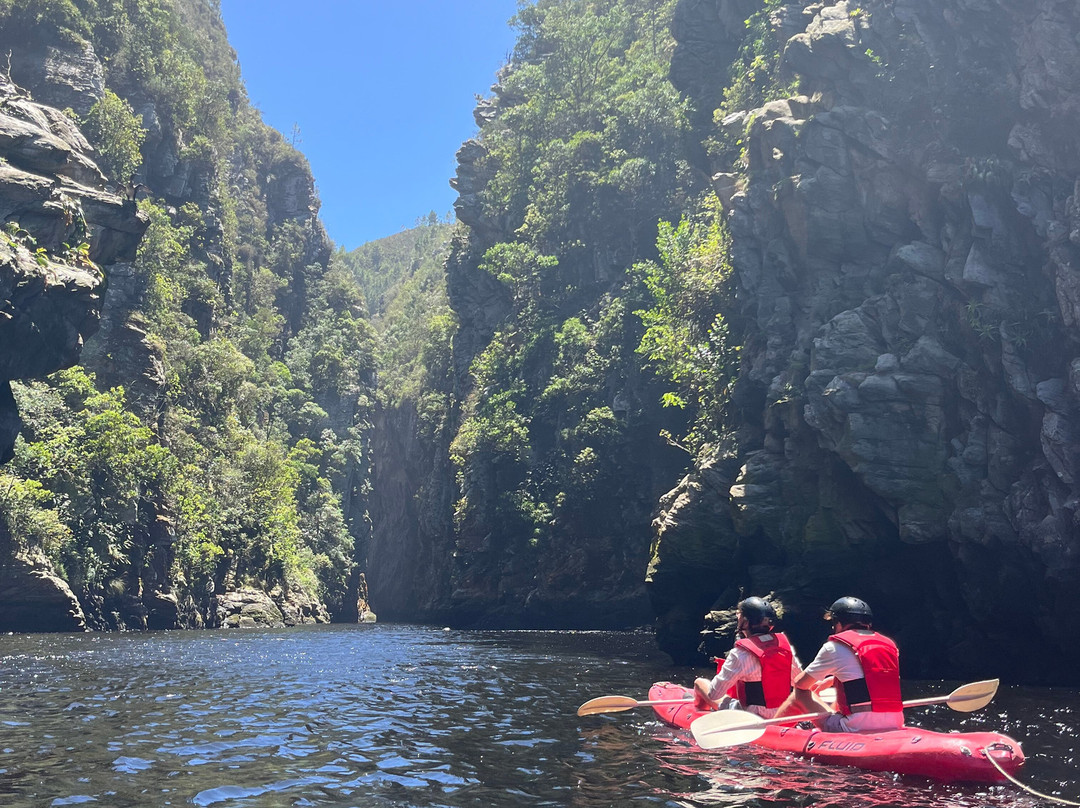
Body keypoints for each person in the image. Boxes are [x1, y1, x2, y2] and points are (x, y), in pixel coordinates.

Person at [776, 596, 904, 732]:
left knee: (799, 693)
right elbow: (872, 678)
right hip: (895, 723)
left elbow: (800, 683)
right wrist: (834, 679)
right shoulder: (890, 646)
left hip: (856, 727)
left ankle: (772, 732)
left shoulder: (834, 647)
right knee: (844, 685)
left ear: (838, 623)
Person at [693, 596, 803, 719]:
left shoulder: (740, 654)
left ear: (745, 622)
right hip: (784, 712)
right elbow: (798, 682)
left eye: (739, 615)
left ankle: (698, 717)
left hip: (751, 716)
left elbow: (714, 694)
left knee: (700, 683)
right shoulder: (785, 648)